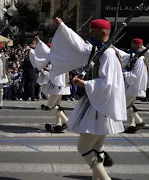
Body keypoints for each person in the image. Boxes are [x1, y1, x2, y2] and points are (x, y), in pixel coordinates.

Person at [49, 17, 126, 180]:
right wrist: (63, 27)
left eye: (92, 33)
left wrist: (84, 83)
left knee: (83, 148)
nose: (89, 36)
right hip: (97, 102)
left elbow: (107, 84)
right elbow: (77, 45)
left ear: (102, 33)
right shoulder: (98, 50)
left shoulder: (108, 54)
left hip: (100, 104)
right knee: (98, 148)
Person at [29, 39, 70, 132]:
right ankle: (58, 124)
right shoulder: (63, 57)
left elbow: (56, 72)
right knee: (58, 105)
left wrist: (47, 70)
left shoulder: (56, 59)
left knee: (51, 106)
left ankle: (67, 122)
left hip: (56, 86)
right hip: (61, 86)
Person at [118, 38, 148, 133]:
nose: (131, 46)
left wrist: (124, 74)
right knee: (130, 105)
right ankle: (132, 125)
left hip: (133, 86)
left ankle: (139, 121)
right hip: (131, 85)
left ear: (138, 46)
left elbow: (136, 75)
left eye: (133, 44)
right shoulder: (136, 57)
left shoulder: (139, 59)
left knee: (126, 106)